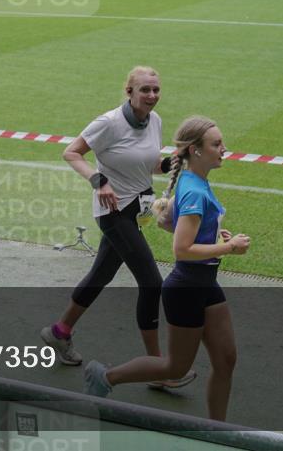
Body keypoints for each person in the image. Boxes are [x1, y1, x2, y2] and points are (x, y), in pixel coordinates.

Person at [83, 116, 251, 422]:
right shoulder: (194, 191)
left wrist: (213, 235)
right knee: (175, 367)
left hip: (205, 284)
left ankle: (217, 431)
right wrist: (229, 248)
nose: (223, 149)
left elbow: (164, 221)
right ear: (196, 150)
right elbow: (182, 250)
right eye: (216, 144)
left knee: (226, 359)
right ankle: (105, 377)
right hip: (187, 288)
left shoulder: (191, 180)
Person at [41, 66, 195, 392]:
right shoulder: (108, 123)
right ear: (129, 92)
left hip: (137, 210)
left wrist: (172, 162)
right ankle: (157, 368)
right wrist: (98, 181)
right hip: (113, 213)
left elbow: (148, 164)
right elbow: (71, 152)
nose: (151, 95)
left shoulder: (154, 121)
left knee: (101, 274)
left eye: (156, 90)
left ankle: (60, 332)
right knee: (152, 283)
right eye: (145, 90)